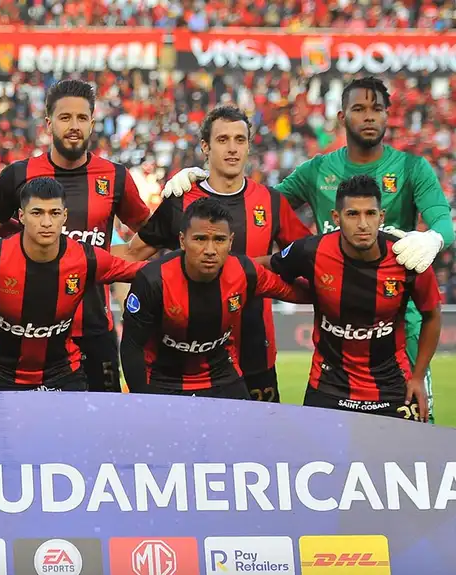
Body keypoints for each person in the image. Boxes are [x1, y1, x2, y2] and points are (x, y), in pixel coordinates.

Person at [162, 77, 453, 420]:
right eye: (360, 109)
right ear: (342, 116)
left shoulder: (411, 168)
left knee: (416, 430)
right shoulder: (318, 171)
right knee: (332, 438)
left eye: (377, 109)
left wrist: (432, 238)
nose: (369, 117)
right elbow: (255, 206)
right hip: (336, 320)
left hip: (399, 323)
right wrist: (203, 184)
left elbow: (443, 224)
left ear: (389, 115)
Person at [0, 79, 150, 393]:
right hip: (27, 336)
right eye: (65, 118)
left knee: (101, 430)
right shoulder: (18, 176)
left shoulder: (116, 177)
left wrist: (120, 258)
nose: (74, 126)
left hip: (94, 330)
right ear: (49, 123)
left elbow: (150, 236)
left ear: (92, 123)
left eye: (82, 118)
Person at [120, 105, 312, 402]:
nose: (233, 149)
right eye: (223, 140)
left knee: (256, 444)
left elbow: (309, 255)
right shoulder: (181, 200)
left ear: (249, 145)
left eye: (240, 139)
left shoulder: (271, 202)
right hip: (184, 357)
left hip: (254, 350)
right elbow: (132, 255)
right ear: (205, 147)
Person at [0, 178, 146, 391]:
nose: (47, 222)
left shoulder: (86, 258)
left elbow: (146, 272)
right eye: (37, 213)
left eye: (54, 213)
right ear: (21, 216)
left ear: (65, 217)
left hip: (63, 374)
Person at [268, 175, 441, 421]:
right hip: (328, 386)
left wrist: (417, 377)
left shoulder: (408, 257)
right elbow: (266, 268)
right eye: (352, 214)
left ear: (381, 217)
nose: (363, 224)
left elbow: (432, 315)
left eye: (370, 214)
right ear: (336, 218)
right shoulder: (311, 251)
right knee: (317, 459)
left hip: (391, 387)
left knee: (401, 457)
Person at [120, 197, 308, 399]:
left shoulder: (245, 272)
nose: (210, 251)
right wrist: (142, 399)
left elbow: (294, 292)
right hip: (163, 381)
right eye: (200, 239)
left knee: (247, 430)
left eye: (219, 240)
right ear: (182, 241)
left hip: (222, 378)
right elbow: (132, 345)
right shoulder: (153, 280)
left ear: (230, 242)